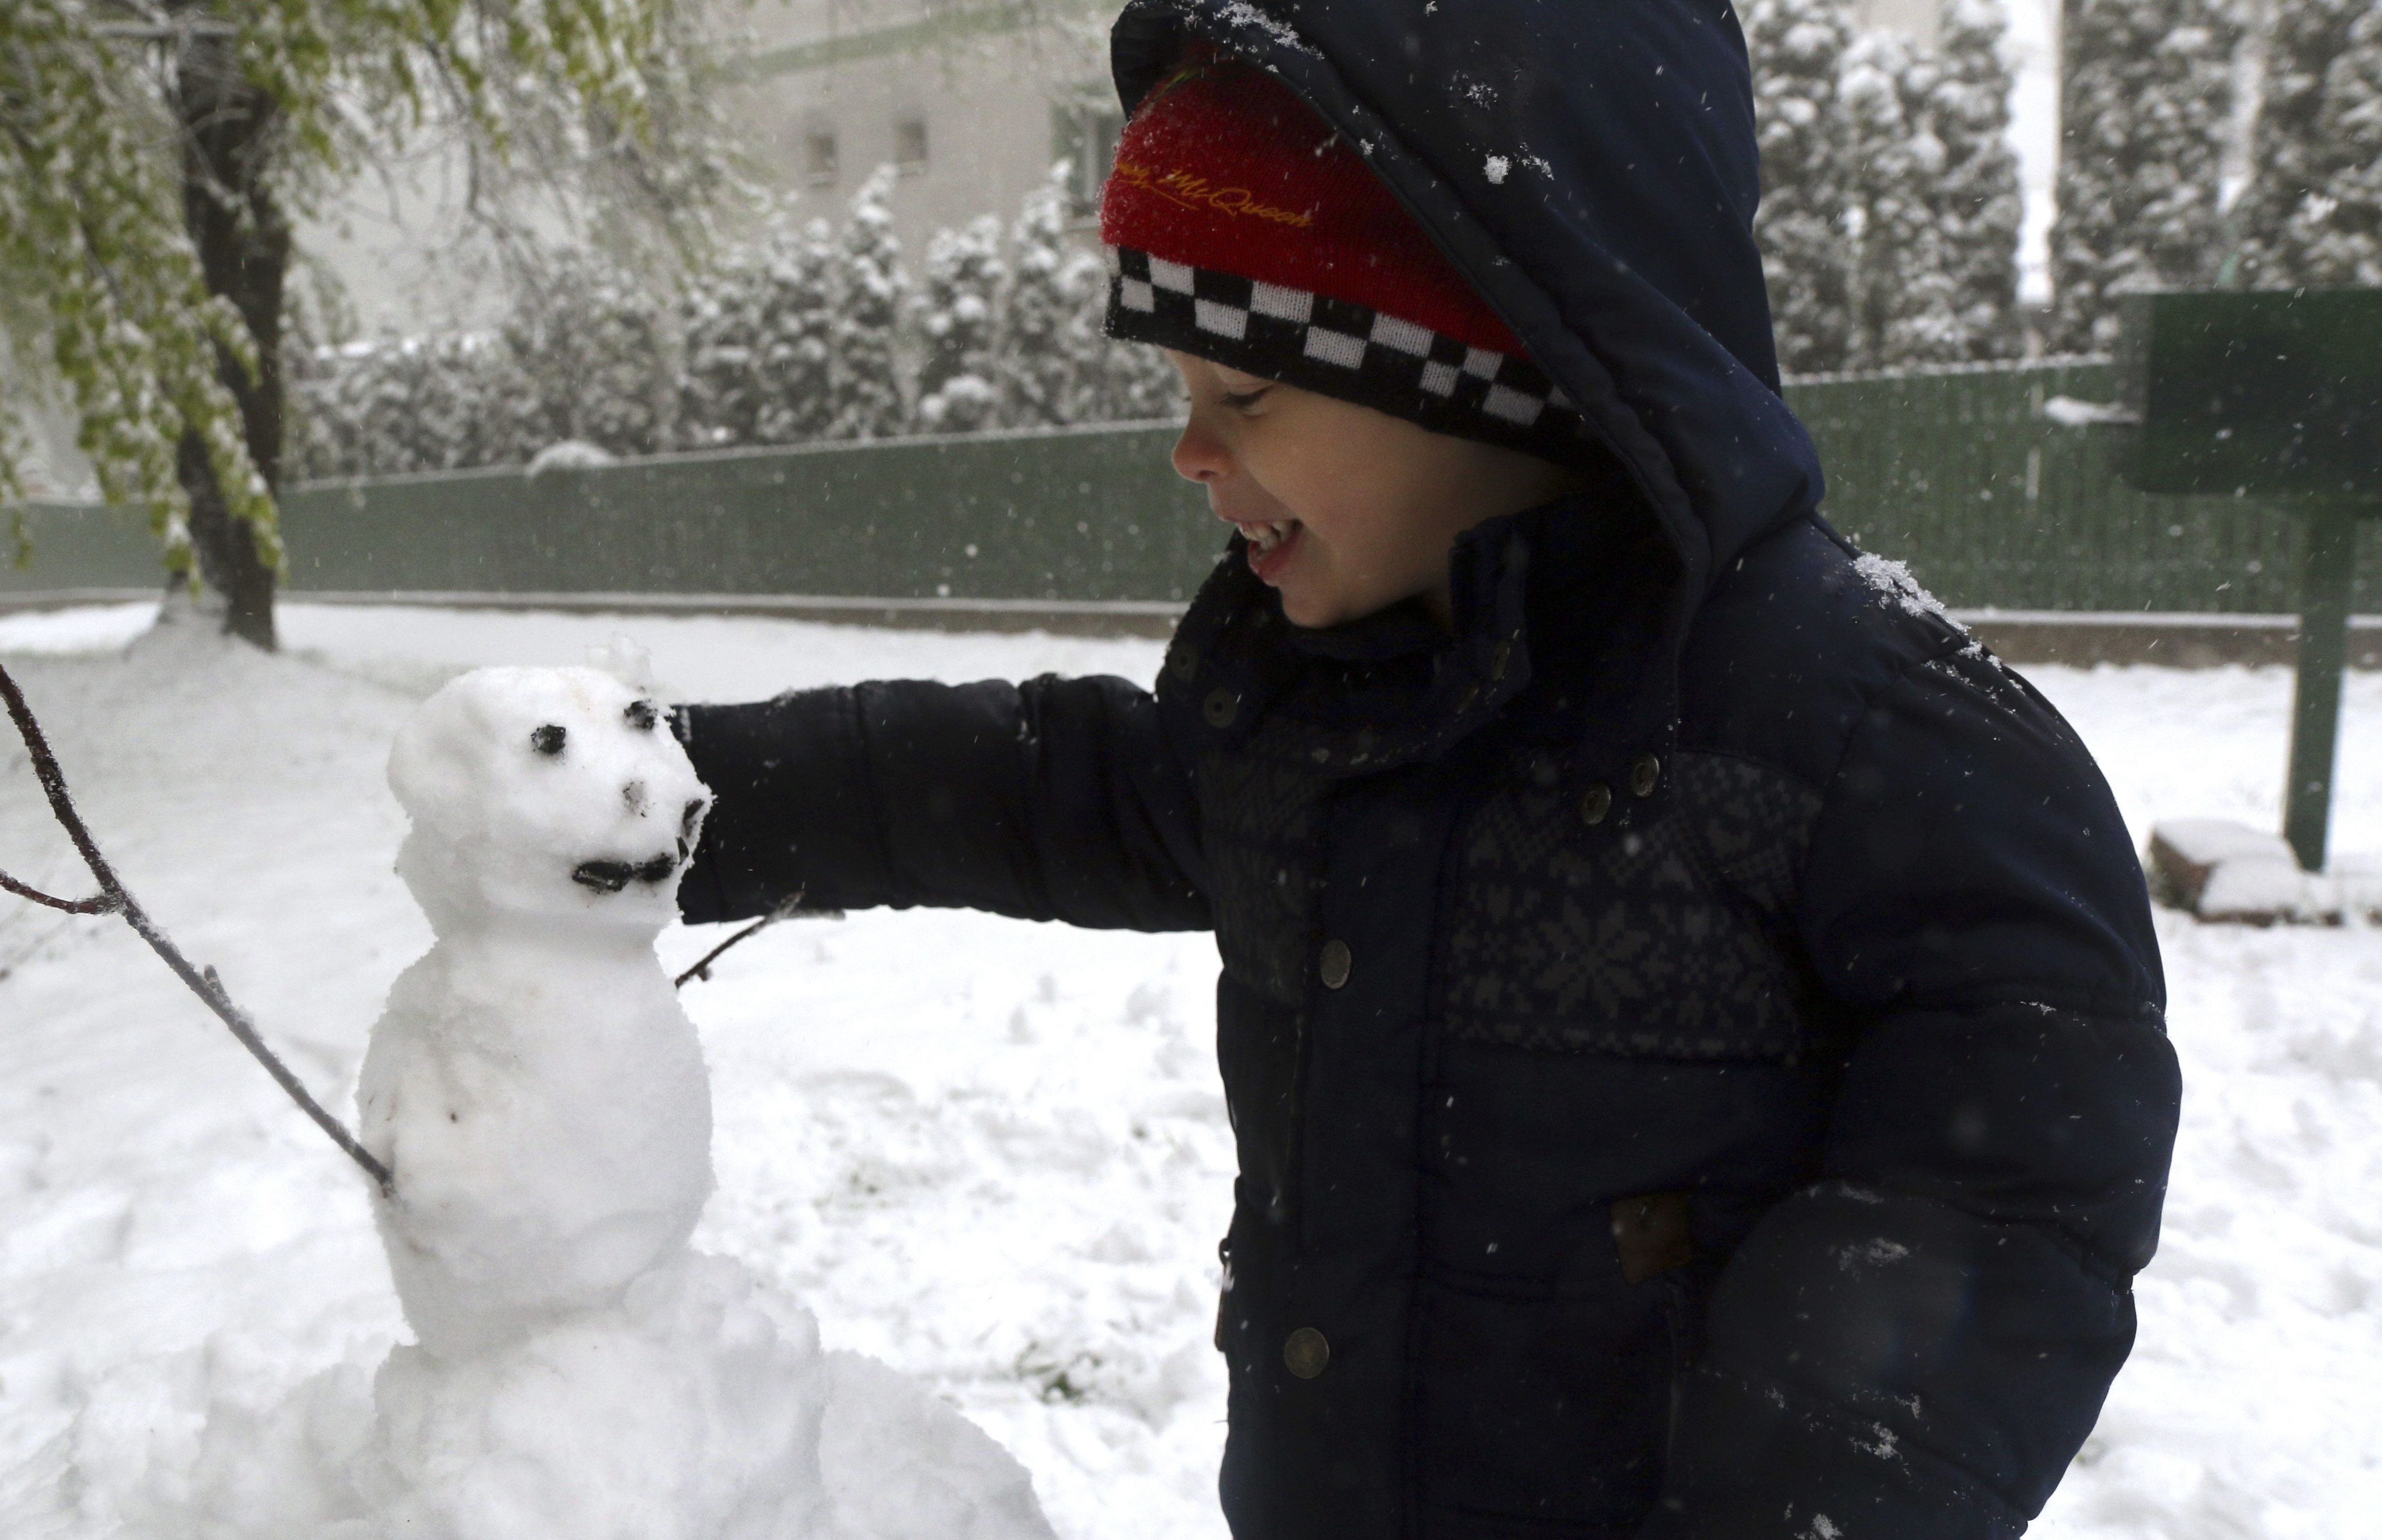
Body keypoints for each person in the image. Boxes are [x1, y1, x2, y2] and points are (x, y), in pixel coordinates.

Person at [671, 3, 2181, 1536]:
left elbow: (2015, 1171)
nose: (1191, 452)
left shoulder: (1844, 725)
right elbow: (1045, 786)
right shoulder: (1312, 706)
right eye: (1182, 394)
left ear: (1495, 365)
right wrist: (669, 792)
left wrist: (1823, 1485)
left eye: (1246, 397)